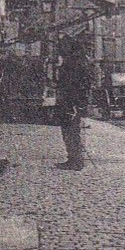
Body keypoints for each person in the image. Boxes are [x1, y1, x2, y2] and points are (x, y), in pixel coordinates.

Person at [53, 33, 94, 170]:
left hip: (71, 102)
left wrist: (75, 104)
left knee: (71, 131)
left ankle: (75, 160)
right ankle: (74, 159)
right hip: (73, 102)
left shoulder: (73, 63)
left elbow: (72, 85)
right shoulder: (80, 61)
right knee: (72, 131)